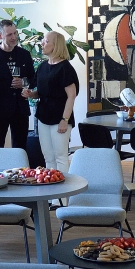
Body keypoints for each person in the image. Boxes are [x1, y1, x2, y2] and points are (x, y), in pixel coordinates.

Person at [23, 30, 79, 173]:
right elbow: (41, 92)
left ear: (56, 45)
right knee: (48, 158)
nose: (42, 43)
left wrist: (64, 120)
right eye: (43, 40)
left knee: (61, 157)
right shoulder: (43, 66)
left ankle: (64, 188)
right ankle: (52, 186)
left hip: (60, 117)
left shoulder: (65, 68)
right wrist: (30, 94)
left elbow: (71, 96)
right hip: (43, 116)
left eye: (46, 41)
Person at [0, 19, 36, 151]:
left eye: (15, 33)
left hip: (20, 109)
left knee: (20, 148)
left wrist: (23, 83)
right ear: (0, 36)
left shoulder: (24, 54)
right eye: (9, 34)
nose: (14, 37)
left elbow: (33, 79)